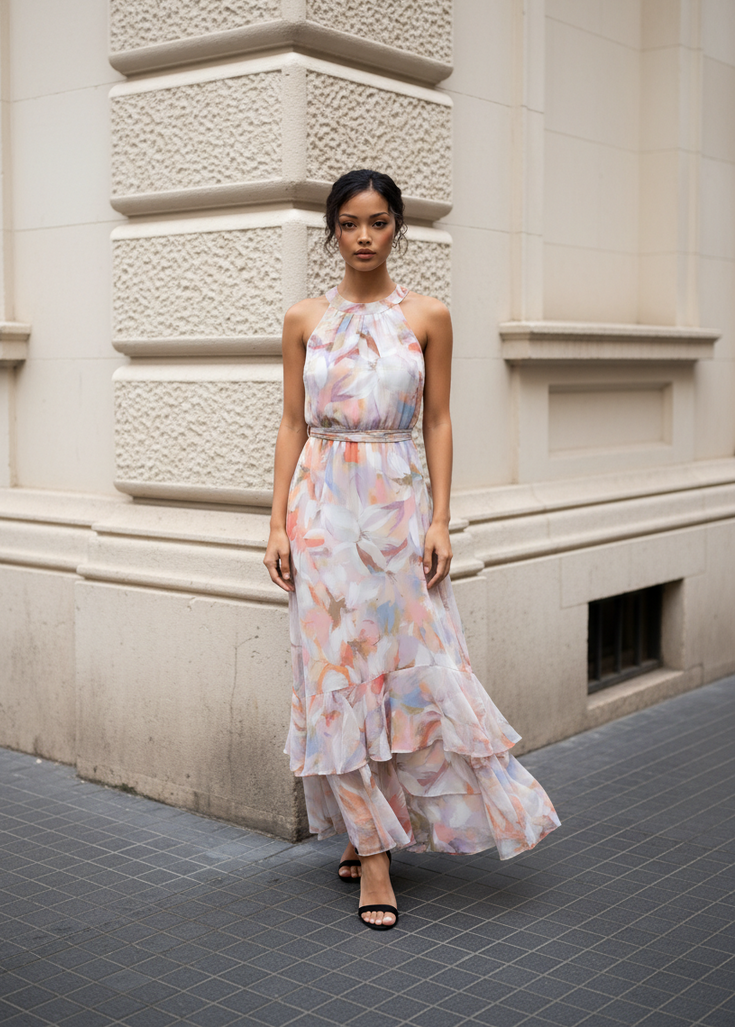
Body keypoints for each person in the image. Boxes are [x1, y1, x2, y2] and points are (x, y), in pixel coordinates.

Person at [264, 169, 561, 930]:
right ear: (332, 229)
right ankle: (372, 852)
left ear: (398, 228)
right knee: (337, 678)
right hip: (323, 515)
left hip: (397, 511)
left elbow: (438, 420)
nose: (365, 236)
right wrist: (274, 524)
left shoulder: (428, 317)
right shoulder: (304, 319)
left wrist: (442, 519)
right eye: (351, 222)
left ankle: (379, 828)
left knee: (404, 674)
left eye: (380, 221)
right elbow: (293, 424)